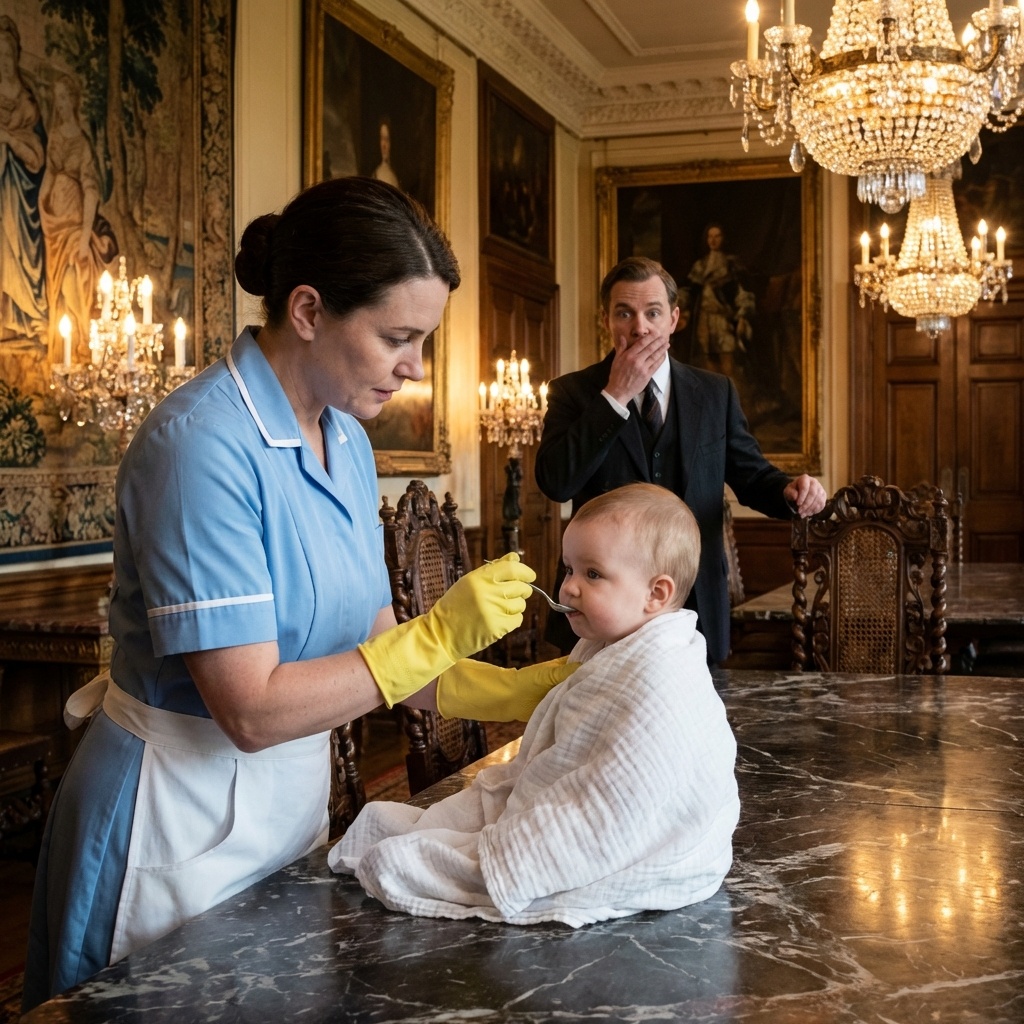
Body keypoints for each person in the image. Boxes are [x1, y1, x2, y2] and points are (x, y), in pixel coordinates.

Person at [23, 176, 574, 1009]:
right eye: (397, 337)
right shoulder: (201, 445)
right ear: (309, 310)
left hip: (287, 804)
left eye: (422, 340)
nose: (415, 368)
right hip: (174, 810)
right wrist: (436, 633)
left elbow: (382, 654)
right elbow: (250, 710)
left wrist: (526, 690)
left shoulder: (347, 442)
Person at [328, 483, 739, 926]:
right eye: (569, 569)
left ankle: (509, 866)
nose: (569, 587)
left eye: (593, 574)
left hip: (624, 832)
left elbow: (624, 792)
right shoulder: (610, 644)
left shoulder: (661, 672)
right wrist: (453, 645)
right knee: (403, 829)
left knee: (438, 858)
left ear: (656, 594)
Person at [535, 256, 827, 666]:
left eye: (653, 313)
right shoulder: (572, 392)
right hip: (602, 608)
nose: (640, 327)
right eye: (625, 313)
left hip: (697, 602)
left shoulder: (715, 392)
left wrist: (789, 490)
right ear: (606, 320)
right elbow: (556, 482)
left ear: (674, 319)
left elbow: (752, 476)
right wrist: (615, 396)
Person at [39, 74, 118, 363]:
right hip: (54, 225)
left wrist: (85, 236)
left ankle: (83, 339)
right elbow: (49, 174)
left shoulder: (82, 143)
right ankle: (65, 350)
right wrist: (41, 206)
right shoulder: (55, 137)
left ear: (73, 100)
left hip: (75, 221)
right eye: (56, 99)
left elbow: (91, 190)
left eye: (63, 97)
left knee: (75, 273)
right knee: (57, 284)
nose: (59, 104)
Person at [0, 15, 47, 344]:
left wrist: (9, 139)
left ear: (15, 55)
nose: (3, 61)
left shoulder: (27, 104)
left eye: (7, 54)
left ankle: (22, 317)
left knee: (17, 252)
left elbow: (38, 157)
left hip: (20, 195)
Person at [679, 223, 754, 379]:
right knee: (707, 362)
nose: (713, 240)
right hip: (703, 319)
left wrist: (742, 316)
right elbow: (690, 291)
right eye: (710, 236)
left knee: (728, 360)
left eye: (717, 236)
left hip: (723, 318)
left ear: (723, 239)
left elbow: (742, 292)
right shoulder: (701, 265)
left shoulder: (731, 264)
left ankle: (732, 392)